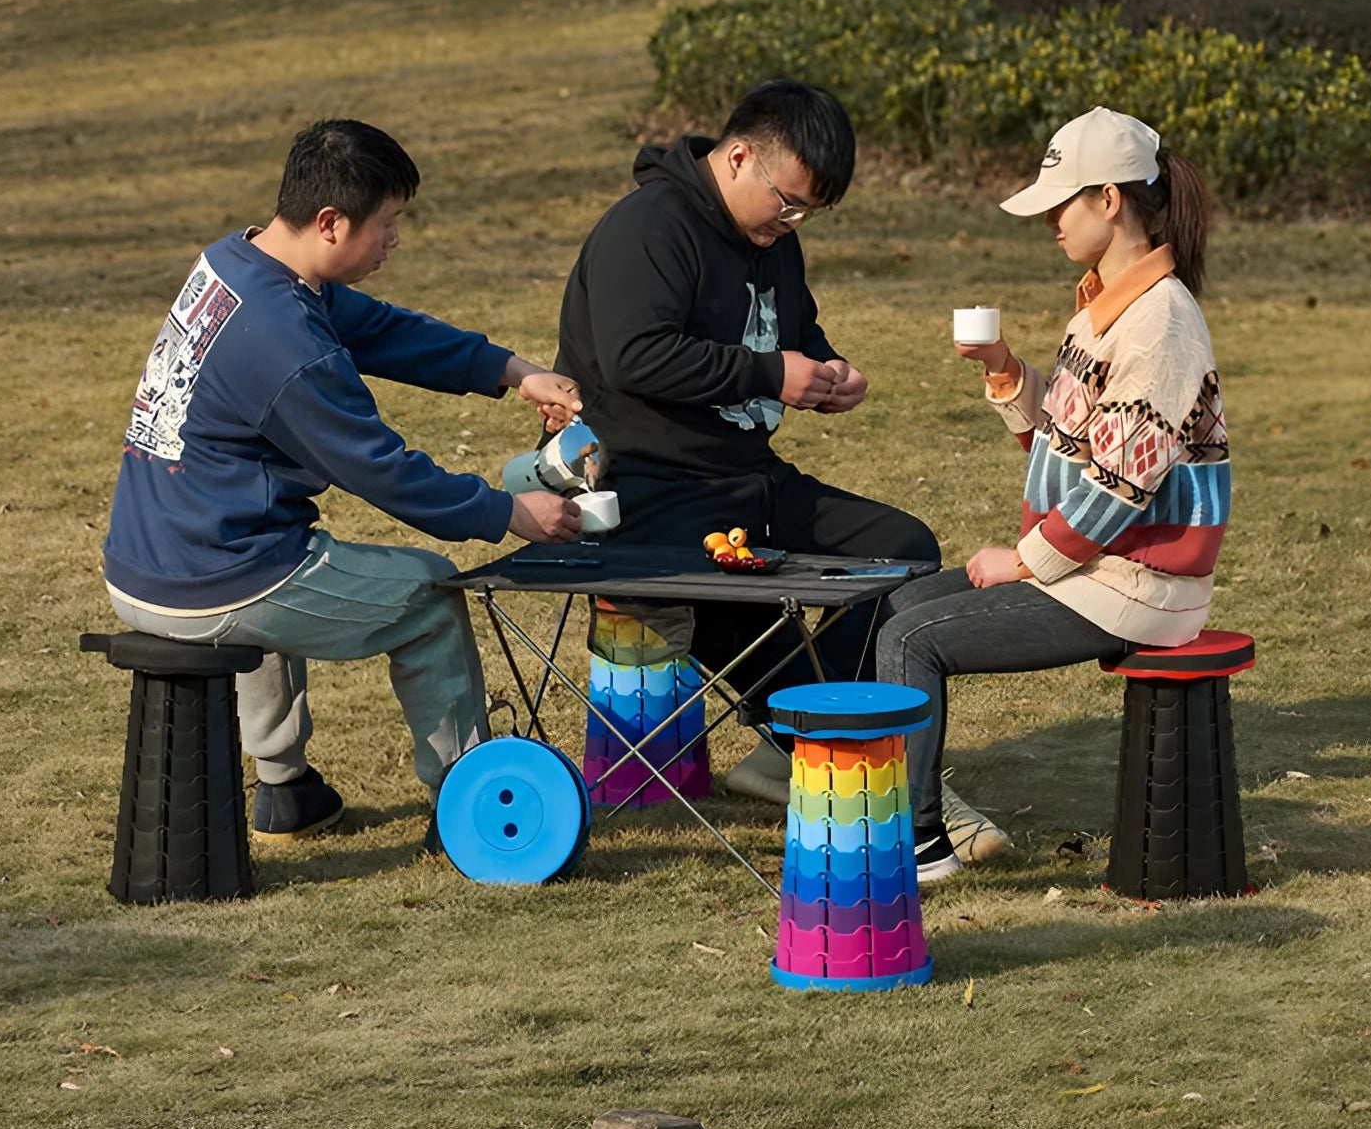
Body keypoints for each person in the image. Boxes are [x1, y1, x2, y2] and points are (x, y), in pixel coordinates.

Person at [553, 81, 1006, 859]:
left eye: (808, 214)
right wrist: (771, 377)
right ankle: (846, 759)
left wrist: (829, 373)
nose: (792, 223)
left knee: (905, 548)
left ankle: (787, 744)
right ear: (738, 157)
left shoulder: (771, 241)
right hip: (648, 491)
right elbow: (634, 358)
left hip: (746, 478)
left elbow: (795, 331)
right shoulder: (647, 228)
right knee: (753, 614)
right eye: (788, 203)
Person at [101, 118, 584, 848]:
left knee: (284, 550)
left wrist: (511, 371)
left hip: (149, 557)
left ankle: (286, 789)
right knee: (426, 597)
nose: (394, 239)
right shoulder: (284, 341)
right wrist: (506, 511)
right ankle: (468, 805)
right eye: (386, 224)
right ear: (330, 222)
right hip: (212, 574)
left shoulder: (240, 261)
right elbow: (378, 468)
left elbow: (381, 330)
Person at [875, 107, 1229, 882]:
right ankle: (910, 812)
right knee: (897, 610)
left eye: (1058, 205)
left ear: (1109, 199)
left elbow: (1121, 488)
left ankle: (919, 844)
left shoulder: (1160, 325)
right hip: (1102, 569)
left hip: (1137, 586)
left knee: (912, 641)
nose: (1049, 224)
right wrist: (1005, 368)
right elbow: (1064, 447)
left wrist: (1026, 562)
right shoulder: (1104, 306)